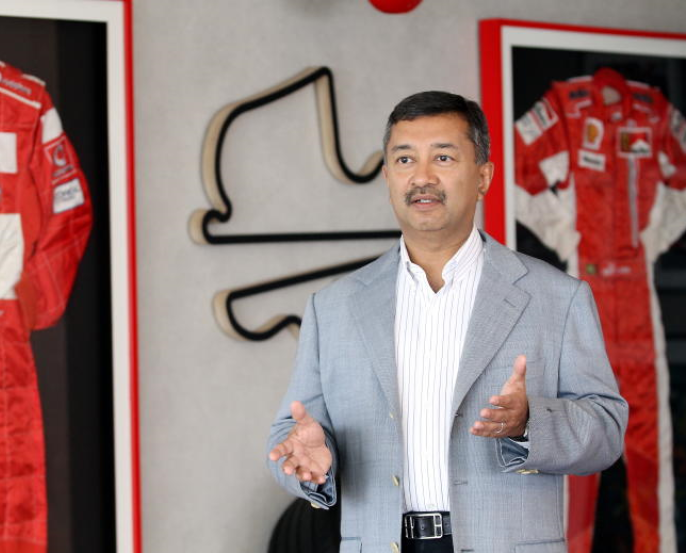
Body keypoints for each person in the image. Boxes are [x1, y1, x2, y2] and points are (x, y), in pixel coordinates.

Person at [266, 91, 628, 553]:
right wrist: (312, 464)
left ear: (483, 176)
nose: (422, 177)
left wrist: (529, 422)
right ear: (387, 177)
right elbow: (289, 437)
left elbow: (606, 432)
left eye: (443, 157)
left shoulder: (557, 297)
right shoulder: (333, 307)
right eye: (404, 159)